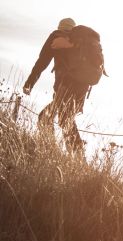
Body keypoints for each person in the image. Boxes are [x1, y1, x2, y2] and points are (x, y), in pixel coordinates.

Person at [23, 18, 90, 155]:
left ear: (60, 27)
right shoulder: (82, 43)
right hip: (82, 90)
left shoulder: (57, 36)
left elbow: (42, 61)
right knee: (66, 121)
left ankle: (51, 152)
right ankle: (76, 155)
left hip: (65, 87)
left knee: (46, 118)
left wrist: (29, 83)